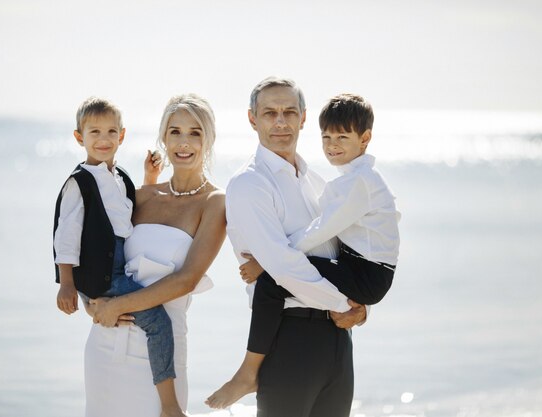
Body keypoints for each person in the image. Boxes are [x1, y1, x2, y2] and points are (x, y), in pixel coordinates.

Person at [207, 93, 400, 410]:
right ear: (253, 118)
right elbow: (294, 264)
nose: (281, 121)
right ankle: (248, 373)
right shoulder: (251, 183)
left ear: (302, 118)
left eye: (289, 112)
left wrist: (357, 310)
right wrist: (350, 305)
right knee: (272, 282)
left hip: (337, 334)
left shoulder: (326, 183)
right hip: (292, 337)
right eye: (270, 112)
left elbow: (321, 239)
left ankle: (248, 371)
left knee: (270, 278)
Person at [85, 93, 227, 417]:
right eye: (175, 131)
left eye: (195, 132)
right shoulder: (142, 195)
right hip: (105, 344)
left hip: (162, 358)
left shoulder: (215, 203)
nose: (184, 142)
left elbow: (187, 279)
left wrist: (118, 305)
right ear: (164, 137)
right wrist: (89, 304)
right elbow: (102, 256)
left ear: (209, 139)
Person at [52, 97, 186, 416]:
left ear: (122, 136)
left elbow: (130, 217)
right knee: (158, 321)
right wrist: (67, 284)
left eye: (111, 131)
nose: (103, 139)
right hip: (102, 275)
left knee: (149, 315)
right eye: (94, 131)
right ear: (79, 137)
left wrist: (149, 180)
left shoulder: (119, 178)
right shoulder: (79, 182)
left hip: (117, 268)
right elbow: (65, 236)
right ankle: (170, 406)